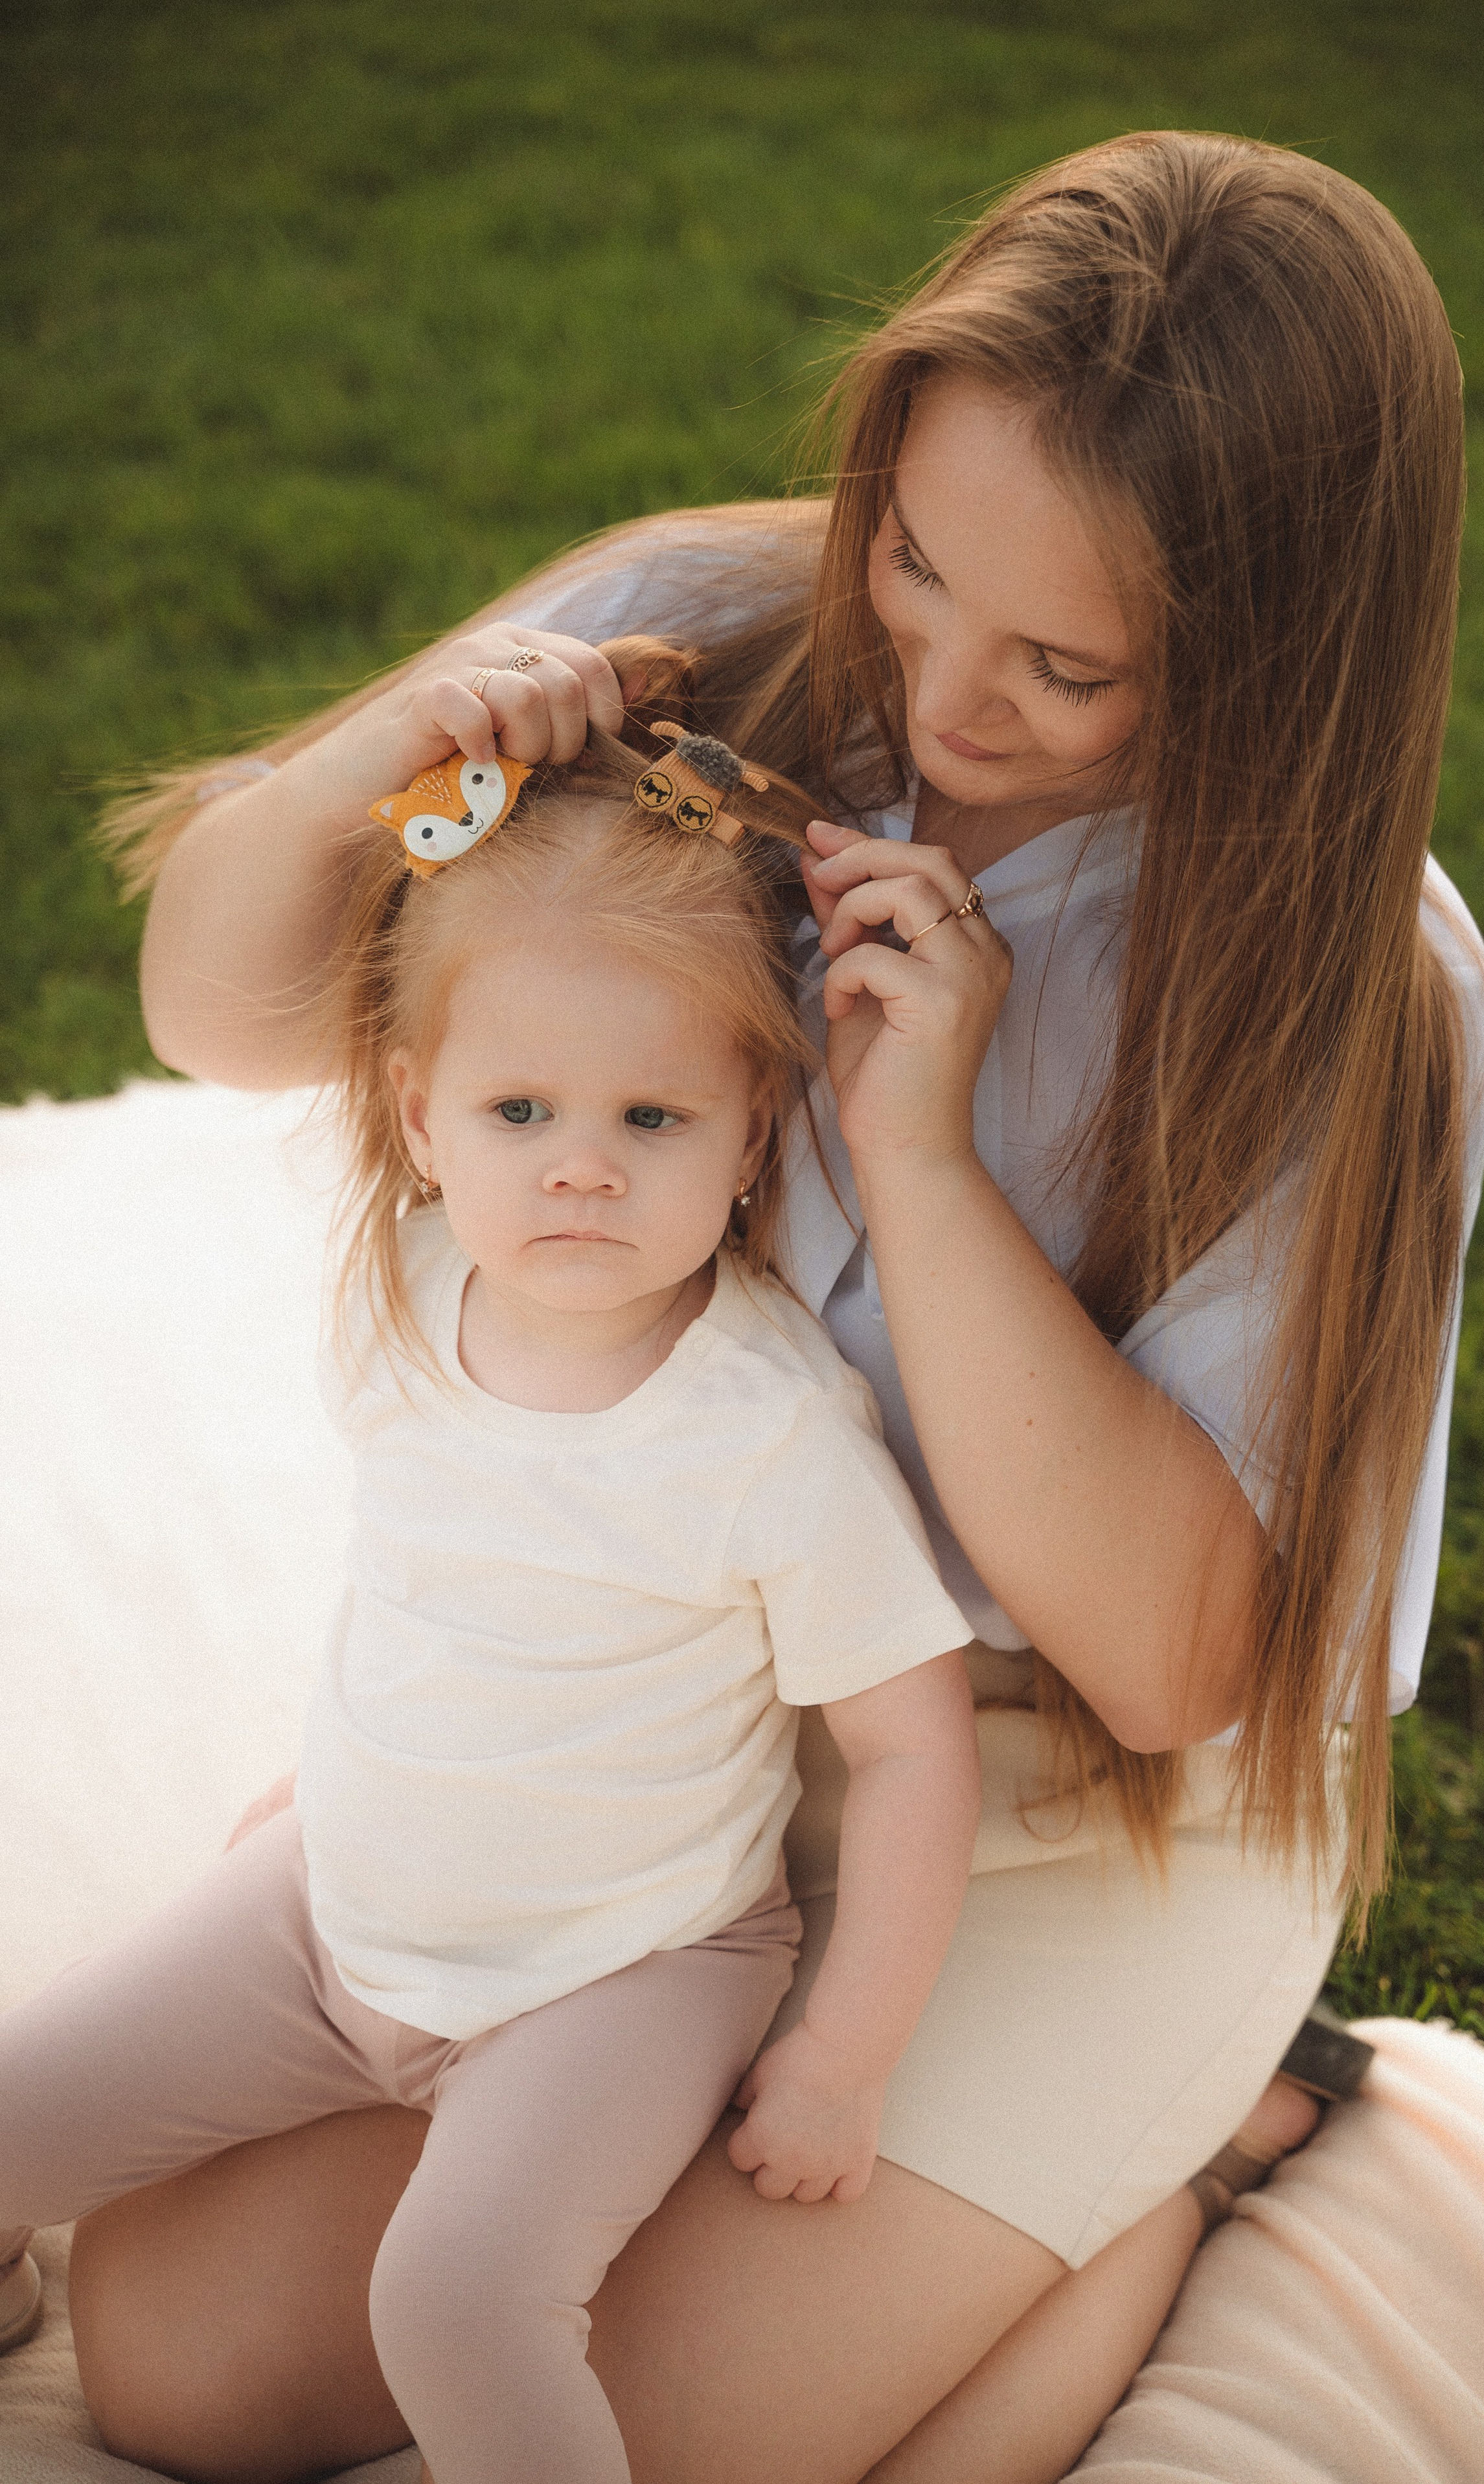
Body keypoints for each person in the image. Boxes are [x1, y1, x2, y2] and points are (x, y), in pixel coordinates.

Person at [59, 130, 1484, 2484]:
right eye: (918, 569)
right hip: (669, 1689)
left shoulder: (1359, 992)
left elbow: (1172, 1663)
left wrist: (921, 1165)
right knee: (174, 2356)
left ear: (1275, 651)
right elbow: (223, 1005)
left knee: (662, 2432)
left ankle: (1164, 2174)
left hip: (1065, 1807)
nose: (940, 702)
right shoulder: (701, 641)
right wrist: (390, 761)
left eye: (1069, 665)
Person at [0, 688, 985, 2484]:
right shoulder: (403, 1285)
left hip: (619, 1971)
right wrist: (348, 1768)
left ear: (755, 1128)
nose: (582, 1162)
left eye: (652, 1114)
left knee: (456, 2304)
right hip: (333, 1913)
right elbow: (439, 1570)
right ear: (420, 1114)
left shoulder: (764, 1434)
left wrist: (846, 2049)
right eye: (519, 1105)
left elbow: (914, 1744)